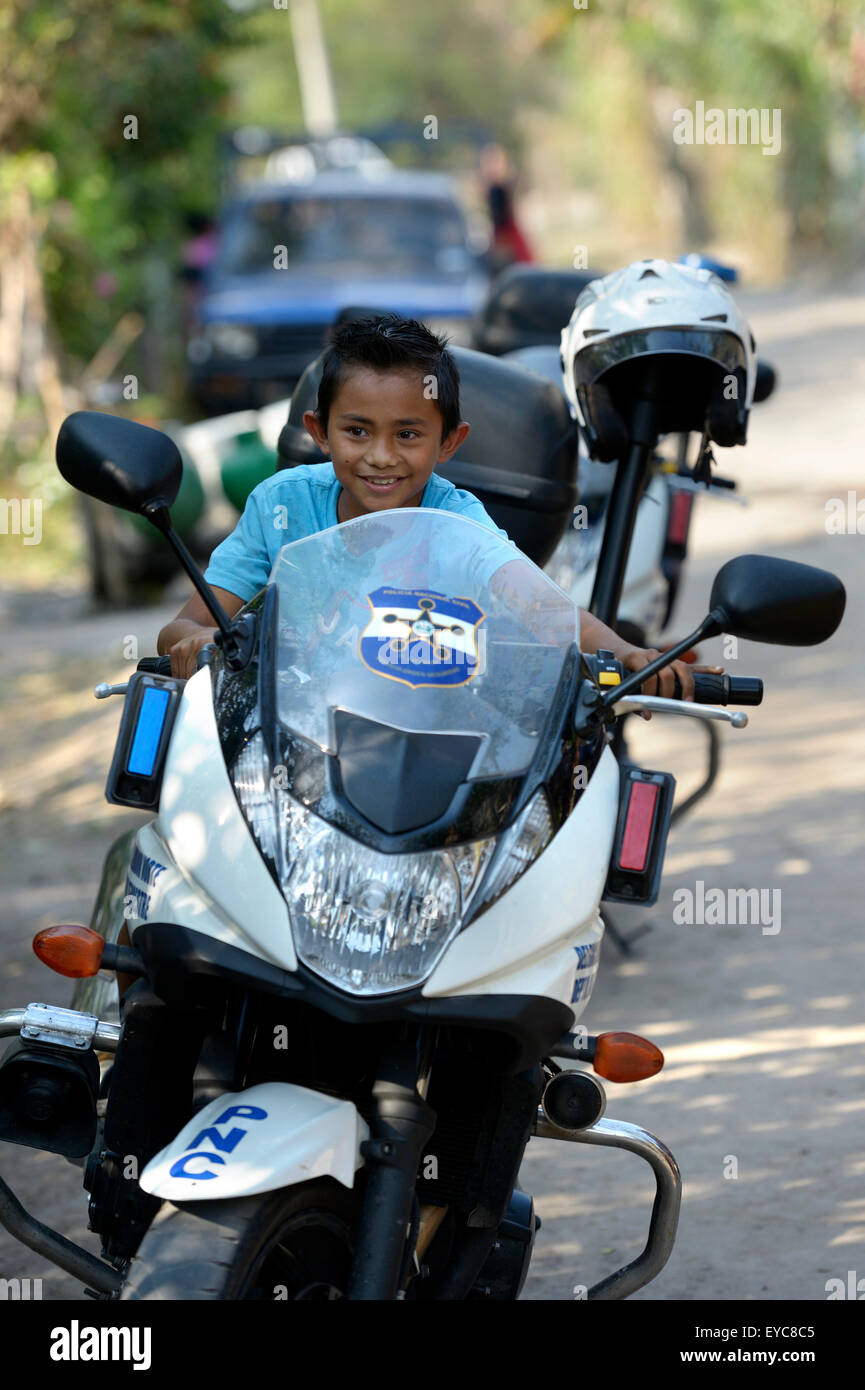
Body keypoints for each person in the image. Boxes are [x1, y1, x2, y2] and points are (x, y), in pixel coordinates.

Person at [158, 313, 716, 702]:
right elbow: (184, 625)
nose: (380, 457)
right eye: (356, 431)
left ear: (449, 442)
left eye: (407, 434)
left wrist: (626, 653)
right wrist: (195, 643)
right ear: (318, 432)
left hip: (419, 745)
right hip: (284, 748)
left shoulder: (459, 523)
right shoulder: (280, 505)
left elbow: (540, 606)